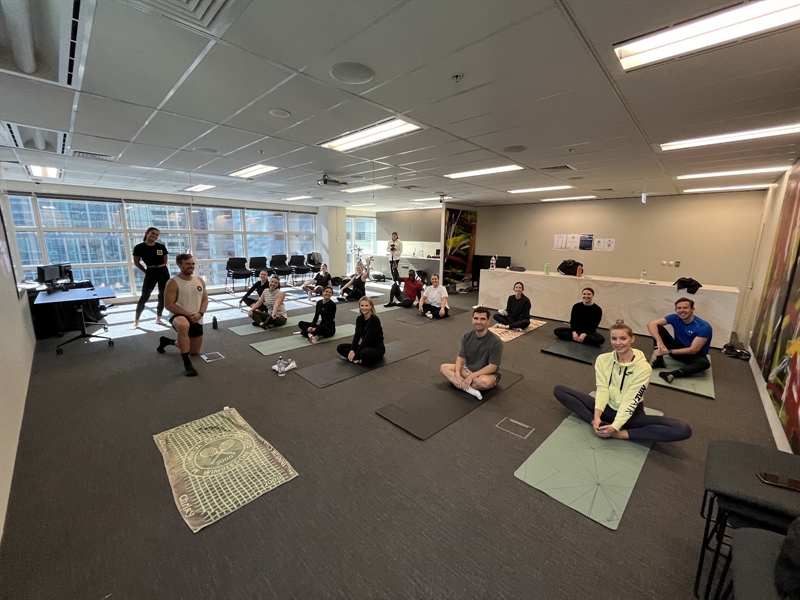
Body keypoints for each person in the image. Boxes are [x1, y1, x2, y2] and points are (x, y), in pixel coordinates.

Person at [553, 319, 692, 442]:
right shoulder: (602, 359)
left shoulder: (643, 367)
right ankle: (598, 424)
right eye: (614, 338)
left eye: (623, 338)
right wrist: (596, 417)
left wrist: (616, 428)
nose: (618, 343)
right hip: (607, 408)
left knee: (682, 429)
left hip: (631, 415)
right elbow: (602, 389)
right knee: (560, 390)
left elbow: (631, 400)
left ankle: (621, 434)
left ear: (632, 339)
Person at [157, 253, 208, 377]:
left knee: (194, 351)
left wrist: (200, 313)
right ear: (179, 265)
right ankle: (187, 364)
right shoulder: (173, 282)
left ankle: (167, 341)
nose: (191, 266)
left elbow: (205, 300)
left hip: (196, 317)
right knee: (183, 325)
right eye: (187, 264)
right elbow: (169, 305)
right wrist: (188, 314)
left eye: (193, 264)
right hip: (178, 315)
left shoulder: (199, 280)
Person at [440, 306, 503, 400]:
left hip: (485, 374)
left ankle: (460, 383)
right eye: (476, 318)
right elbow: (460, 358)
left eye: (482, 319)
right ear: (472, 320)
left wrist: (472, 376)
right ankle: (468, 388)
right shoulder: (467, 336)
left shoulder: (495, 341)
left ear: (488, 321)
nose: (479, 322)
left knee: (484, 382)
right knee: (444, 368)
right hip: (468, 370)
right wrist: (457, 374)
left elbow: (492, 367)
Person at [647, 297, 712, 383]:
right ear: (675, 310)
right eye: (679, 308)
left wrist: (669, 352)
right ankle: (659, 361)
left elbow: (693, 350)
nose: (682, 310)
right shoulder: (674, 317)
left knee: (704, 363)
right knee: (658, 328)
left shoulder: (704, 327)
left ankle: (673, 374)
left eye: (685, 308)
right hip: (677, 348)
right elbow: (651, 324)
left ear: (692, 309)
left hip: (693, 355)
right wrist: (660, 342)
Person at [132, 227, 170, 329]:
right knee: (145, 296)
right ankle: (136, 321)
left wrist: (161, 268)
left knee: (162, 296)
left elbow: (165, 260)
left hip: (163, 272)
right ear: (147, 233)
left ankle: (158, 318)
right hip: (151, 272)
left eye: (157, 235)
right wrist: (146, 271)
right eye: (153, 233)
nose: (155, 236)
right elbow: (136, 262)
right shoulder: (139, 247)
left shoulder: (161, 246)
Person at [337, 297, 385, 366]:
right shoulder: (359, 319)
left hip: (376, 349)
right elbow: (357, 336)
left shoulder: (375, 320)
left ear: (371, 306)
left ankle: (358, 359)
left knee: (364, 353)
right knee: (340, 347)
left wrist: (356, 355)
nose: (364, 308)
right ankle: (360, 360)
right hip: (365, 346)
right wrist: (352, 350)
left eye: (366, 305)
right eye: (362, 305)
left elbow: (366, 339)